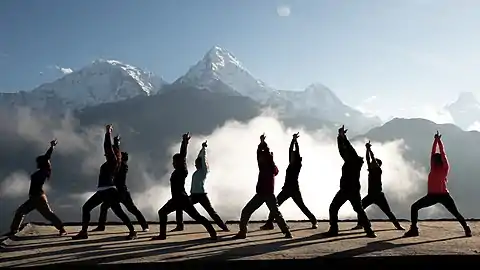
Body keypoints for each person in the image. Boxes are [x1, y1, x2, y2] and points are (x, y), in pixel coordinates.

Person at [71, 125, 137, 240]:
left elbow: (108, 147)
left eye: (108, 153)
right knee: (87, 208)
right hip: (104, 191)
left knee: (118, 212)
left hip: (108, 191)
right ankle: (84, 232)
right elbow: (113, 149)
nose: (105, 154)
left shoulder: (113, 161)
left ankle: (132, 231)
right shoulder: (115, 161)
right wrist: (116, 142)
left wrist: (108, 134)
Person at [403, 131, 472, 238]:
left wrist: (439, 141)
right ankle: (414, 229)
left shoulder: (445, 168)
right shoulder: (434, 167)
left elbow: (442, 154)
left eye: (434, 159)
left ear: (437, 160)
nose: (432, 160)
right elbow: (433, 152)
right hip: (433, 196)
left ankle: (466, 228)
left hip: (442, 195)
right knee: (414, 207)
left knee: (455, 213)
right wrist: (435, 140)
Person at [152, 133, 217, 240]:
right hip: (177, 199)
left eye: (175, 162)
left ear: (179, 162)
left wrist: (185, 142)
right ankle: (164, 234)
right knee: (163, 212)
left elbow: (183, 155)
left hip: (182, 199)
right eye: (173, 162)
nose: (173, 163)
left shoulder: (182, 171)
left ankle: (213, 233)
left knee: (197, 217)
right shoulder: (176, 171)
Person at [233, 133, 292, 239]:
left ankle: (243, 232)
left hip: (265, 193)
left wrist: (262, 144)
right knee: (275, 213)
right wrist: (262, 142)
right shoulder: (269, 166)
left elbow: (260, 153)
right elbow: (260, 153)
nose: (260, 158)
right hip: (264, 193)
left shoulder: (267, 165)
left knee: (247, 211)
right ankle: (287, 232)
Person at [323, 125, 376, 238]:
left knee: (333, 207)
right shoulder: (356, 161)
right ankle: (369, 230)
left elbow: (344, 150)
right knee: (359, 209)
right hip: (354, 189)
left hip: (346, 189)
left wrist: (340, 137)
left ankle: (334, 230)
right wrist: (343, 137)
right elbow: (348, 149)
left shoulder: (350, 162)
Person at [8, 139, 67, 237]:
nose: (37, 163)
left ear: (42, 163)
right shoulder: (42, 172)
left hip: (38, 198)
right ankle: (14, 230)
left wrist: (52, 147)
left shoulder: (44, 172)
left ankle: (62, 229)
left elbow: (47, 156)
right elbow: (46, 157)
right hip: (34, 198)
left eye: (38, 162)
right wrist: (52, 146)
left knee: (48, 215)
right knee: (20, 212)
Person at [260, 132, 317, 231]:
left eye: (293, 156)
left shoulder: (297, 165)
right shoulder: (291, 164)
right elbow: (290, 150)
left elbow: (295, 151)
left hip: (294, 189)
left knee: (301, 206)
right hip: (286, 189)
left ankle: (314, 220)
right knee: (274, 206)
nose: (291, 157)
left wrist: (296, 142)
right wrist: (293, 140)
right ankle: (269, 223)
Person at [91, 135, 149, 232]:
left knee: (131, 209)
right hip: (115, 192)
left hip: (122, 192)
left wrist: (116, 142)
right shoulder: (116, 165)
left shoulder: (123, 166)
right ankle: (101, 226)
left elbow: (117, 154)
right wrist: (116, 142)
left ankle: (144, 226)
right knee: (104, 207)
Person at [171, 140, 229, 232]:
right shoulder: (197, 172)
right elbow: (199, 157)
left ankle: (224, 227)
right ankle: (180, 225)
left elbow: (203, 158)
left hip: (201, 195)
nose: (195, 165)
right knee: (180, 206)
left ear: (201, 164)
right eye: (195, 163)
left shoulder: (204, 170)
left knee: (211, 212)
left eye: (197, 163)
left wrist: (204, 148)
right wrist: (201, 149)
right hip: (194, 195)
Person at [350, 141, 404, 231]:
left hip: (378, 195)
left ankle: (397, 225)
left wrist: (369, 149)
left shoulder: (378, 170)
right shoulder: (371, 170)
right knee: (359, 208)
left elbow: (372, 158)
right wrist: (367, 150)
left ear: (378, 165)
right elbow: (368, 159)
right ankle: (360, 224)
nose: (371, 163)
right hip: (371, 195)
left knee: (388, 211)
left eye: (374, 163)